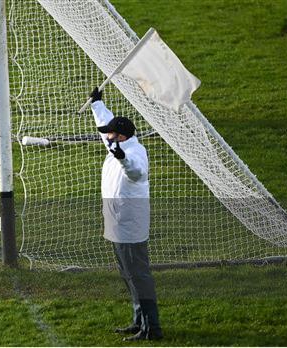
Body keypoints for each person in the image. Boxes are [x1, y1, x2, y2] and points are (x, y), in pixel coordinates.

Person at [89, 87, 163, 341]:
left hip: (130, 226)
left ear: (120, 136)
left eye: (109, 133)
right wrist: (97, 104)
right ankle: (138, 320)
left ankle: (152, 327)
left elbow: (137, 173)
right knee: (127, 274)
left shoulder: (133, 153)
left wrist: (121, 158)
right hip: (117, 224)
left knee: (139, 275)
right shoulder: (116, 143)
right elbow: (104, 122)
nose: (105, 136)